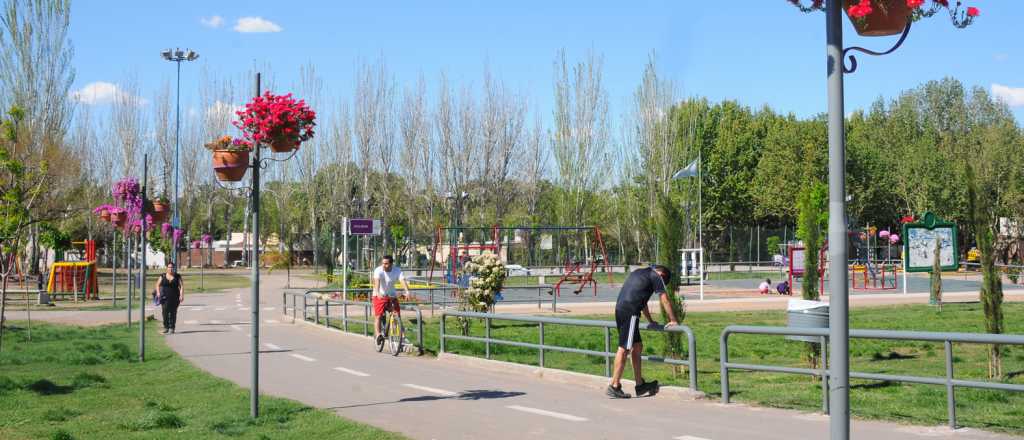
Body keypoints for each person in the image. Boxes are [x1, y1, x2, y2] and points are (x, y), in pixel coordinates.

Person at [607, 265, 679, 399]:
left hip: (622, 309)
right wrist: (673, 319)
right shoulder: (656, 276)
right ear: (662, 275)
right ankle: (614, 385)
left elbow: (642, 301)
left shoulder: (640, 273)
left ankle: (640, 385)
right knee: (624, 348)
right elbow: (664, 298)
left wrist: (650, 320)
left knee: (637, 346)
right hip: (630, 312)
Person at [372, 255, 413, 345]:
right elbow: (377, 282)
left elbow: (402, 281)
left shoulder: (397, 270)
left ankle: (401, 337)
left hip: (391, 295)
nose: (384, 265)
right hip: (379, 295)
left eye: (386, 263)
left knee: (396, 315)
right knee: (378, 316)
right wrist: (378, 293)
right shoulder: (378, 270)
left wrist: (407, 292)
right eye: (383, 263)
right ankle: (378, 335)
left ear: (391, 264)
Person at [153, 262, 184, 334]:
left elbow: (181, 286)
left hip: (175, 298)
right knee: (165, 312)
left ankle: (172, 328)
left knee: (173, 312)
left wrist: (181, 295)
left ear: (174, 268)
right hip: (164, 298)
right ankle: (166, 327)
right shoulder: (163, 276)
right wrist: (158, 293)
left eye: (172, 267)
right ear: (167, 268)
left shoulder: (177, 276)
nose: (170, 269)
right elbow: (157, 285)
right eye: (169, 267)